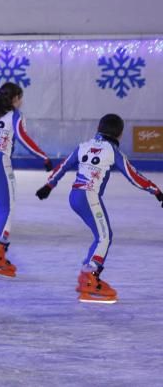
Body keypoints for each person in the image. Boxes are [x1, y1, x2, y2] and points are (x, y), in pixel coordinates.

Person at [36, 114, 163, 304]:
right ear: (119, 134)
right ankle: (90, 278)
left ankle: (86, 275)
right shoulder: (112, 151)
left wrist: (49, 186)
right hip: (89, 196)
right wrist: (156, 191)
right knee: (104, 237)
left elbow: (63, 166)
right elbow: (133, 175)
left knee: (101, 236)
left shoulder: (83, 146)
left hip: (75, 196)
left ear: (98, 128)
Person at [0, 82, 51, 277]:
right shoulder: (14, 116)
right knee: (6, 208)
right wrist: (43, 157)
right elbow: (24, 138)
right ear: (15, 99)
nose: (21, 102)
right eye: (20, 98)